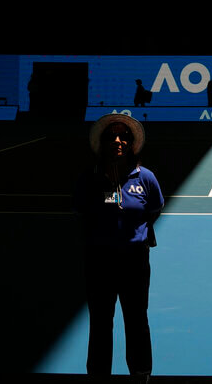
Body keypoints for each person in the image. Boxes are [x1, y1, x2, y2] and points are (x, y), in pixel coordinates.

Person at [75, 114, 164, 384]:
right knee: (101, 321)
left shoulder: (145, 177)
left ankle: (141, 374)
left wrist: (133, 234)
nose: (118, 141)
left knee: (137, 319)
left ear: (132, 143)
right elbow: (82, 211)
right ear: (102, 143)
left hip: (134, 261)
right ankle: (99, 377)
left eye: (124, 136)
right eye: (111, 136)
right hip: (99, 260)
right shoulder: (89, 179)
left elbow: (154, 209)